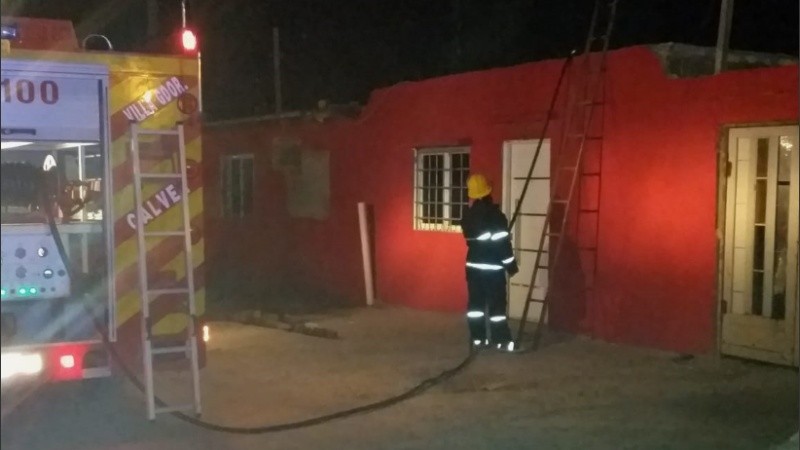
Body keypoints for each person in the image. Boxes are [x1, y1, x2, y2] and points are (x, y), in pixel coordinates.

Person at [461, 173, 519, 352]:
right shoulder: (496, 216)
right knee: (496, 307)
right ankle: (501, 340)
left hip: (473, 268)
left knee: (476, 306)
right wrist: (511, 266)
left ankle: (478, 339)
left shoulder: (468, 217)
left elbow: (472, 241)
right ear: (488, 191)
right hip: (493, 270)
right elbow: (502, 245)